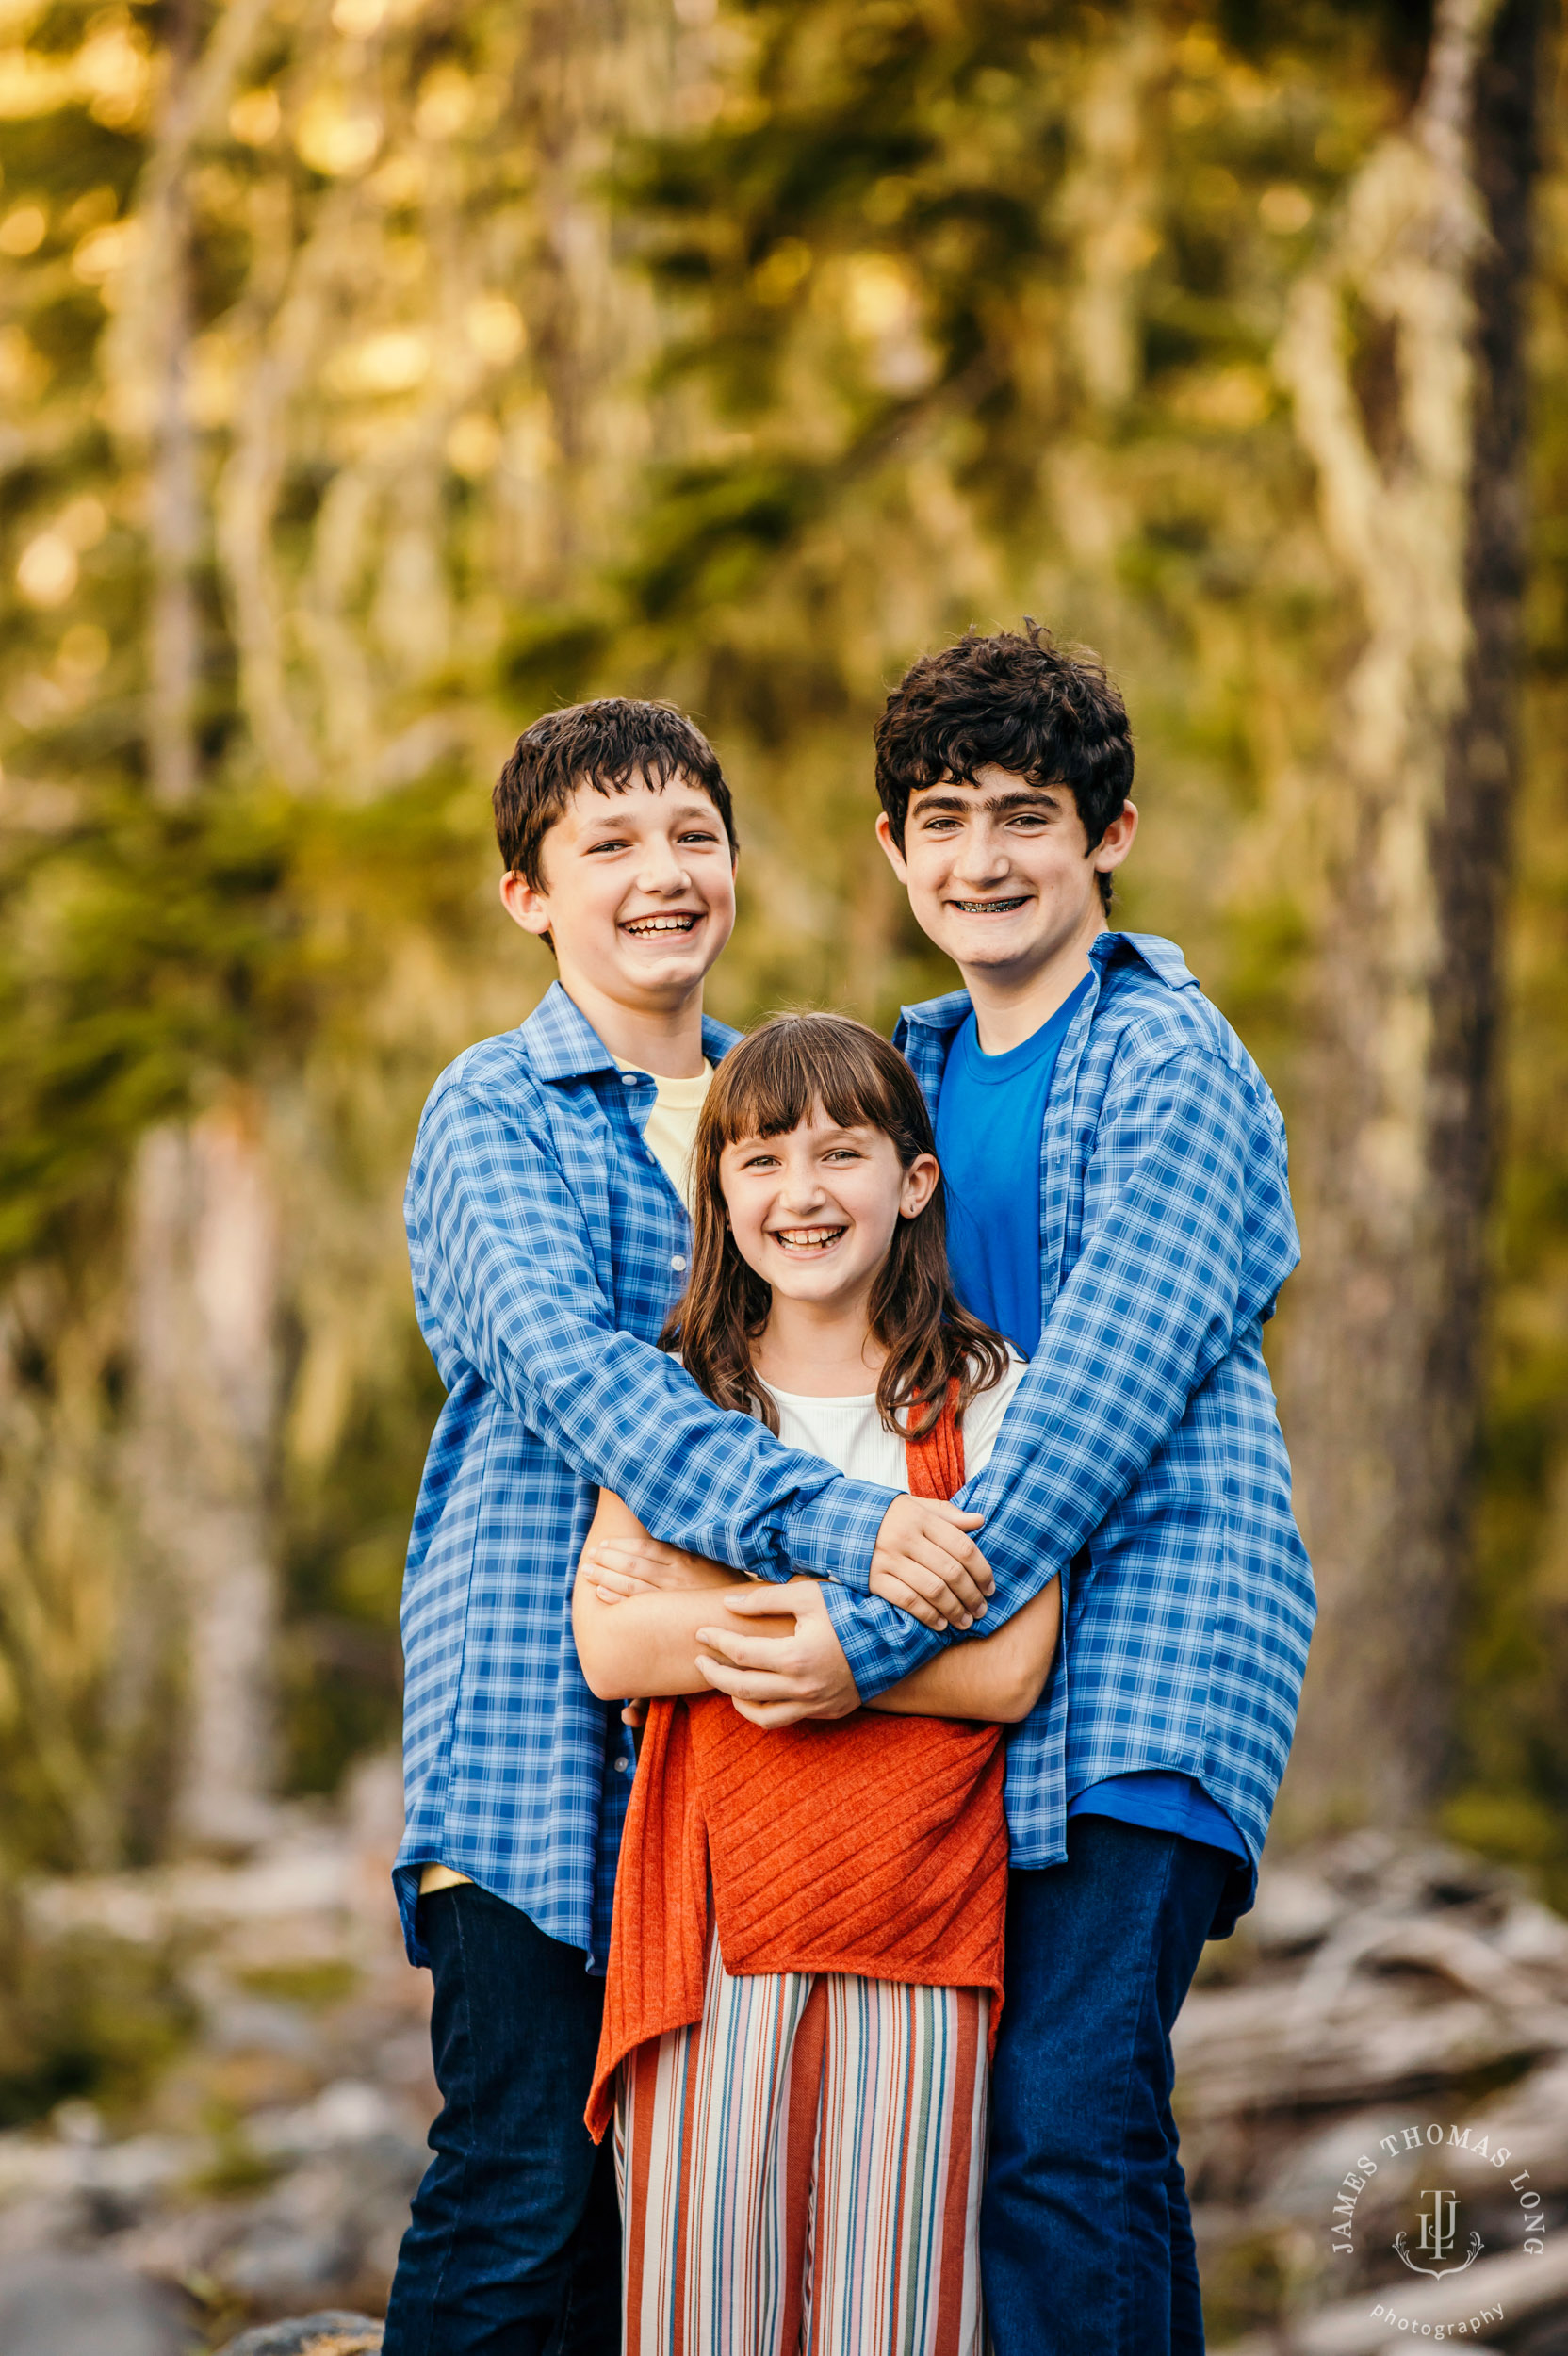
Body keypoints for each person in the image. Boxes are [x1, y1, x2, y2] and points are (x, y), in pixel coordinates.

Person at [689, 626, 1316, 2356]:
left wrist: (866, 1635)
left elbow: (1094, 1410)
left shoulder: (1172, 1064)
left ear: (1107, 836)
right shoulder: (918, 1073)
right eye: (944, 819)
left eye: (1027, 816)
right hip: (997, 1656)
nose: (984, 860)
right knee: (1073, 2130)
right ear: (892, 850)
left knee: (1061, 2117)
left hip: (1157, 1643)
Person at [384, 698, 995, 2356]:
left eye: (692, 837)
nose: (664, 875)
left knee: (651, 2224)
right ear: (528, 894)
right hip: (540, 1727)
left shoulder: (775, 1111)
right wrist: (851, 1532)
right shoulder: (496, 1111)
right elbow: (589, 1385)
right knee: (520, 2183)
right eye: (609, 845)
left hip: (745, 1777)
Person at [571, 1012, 1061, 2356]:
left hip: (918, 1914)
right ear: (720, 1198)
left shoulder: (988, 1395)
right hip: (712, 1923)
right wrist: (868, 1622)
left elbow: (1011, 1666)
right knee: (698, 2305)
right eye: (762, 1162)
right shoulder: (686, 1399)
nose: (802, 1194)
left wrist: (717, 1614)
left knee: (894, 2313)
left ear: (912, 1182)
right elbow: (612, 1646)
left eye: (842, 1154)